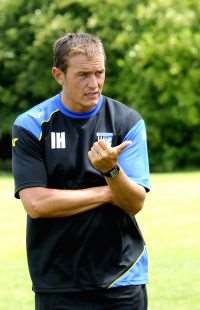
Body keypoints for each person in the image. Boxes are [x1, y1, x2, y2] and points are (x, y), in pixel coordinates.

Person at [11, 33, 150, 309]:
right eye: (83, 74)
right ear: (58, 74)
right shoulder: (31, 125)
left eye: (100, 73)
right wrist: (108, 191)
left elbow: (134, 202)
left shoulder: (127, 121)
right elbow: (36, 204)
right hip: (57, 280)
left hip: (120, 278)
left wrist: (111, 171)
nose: (94, 83)